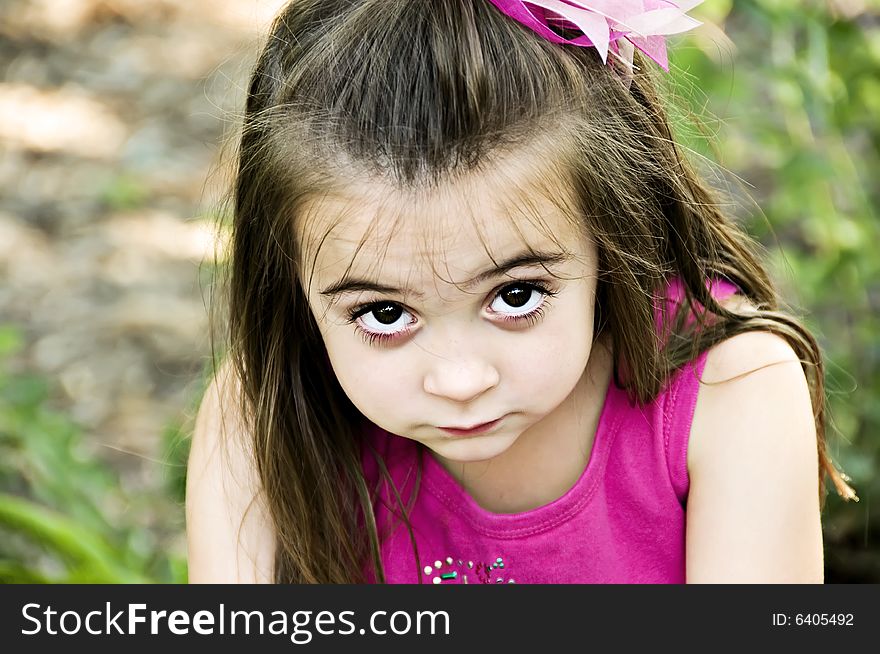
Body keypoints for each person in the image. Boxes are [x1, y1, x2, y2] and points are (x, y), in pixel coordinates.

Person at [185, 0, 857, 584]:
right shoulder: (261, 414)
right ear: (292, 283)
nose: (460, 378)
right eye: (384, 313)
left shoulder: (730, 392)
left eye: (516, 296)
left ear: (609, 231)